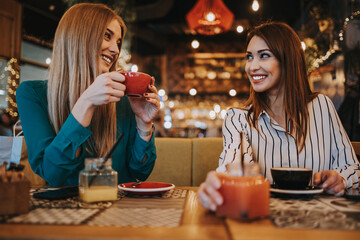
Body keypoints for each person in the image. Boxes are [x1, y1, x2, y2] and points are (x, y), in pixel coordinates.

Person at [198, 22, 360, 211]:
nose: (252, 66)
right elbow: (233, 167)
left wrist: (339, 179)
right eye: (249, 57)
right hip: (264, 221)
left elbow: (353, 168)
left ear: (288, 59)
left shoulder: (322, 106)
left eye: (264, 56)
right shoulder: (238, 118)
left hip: (320, 221)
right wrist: (221, 182)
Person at [16, 3, 160, 187]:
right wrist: (86, 102)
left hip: (122, 209)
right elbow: (53, 174)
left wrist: (144, 123)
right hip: (67, 213)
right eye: (107, 36)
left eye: (118, 42)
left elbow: (140, 172)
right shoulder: (32, 94)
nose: (116, 50)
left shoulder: (123, 99)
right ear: (79, 37)